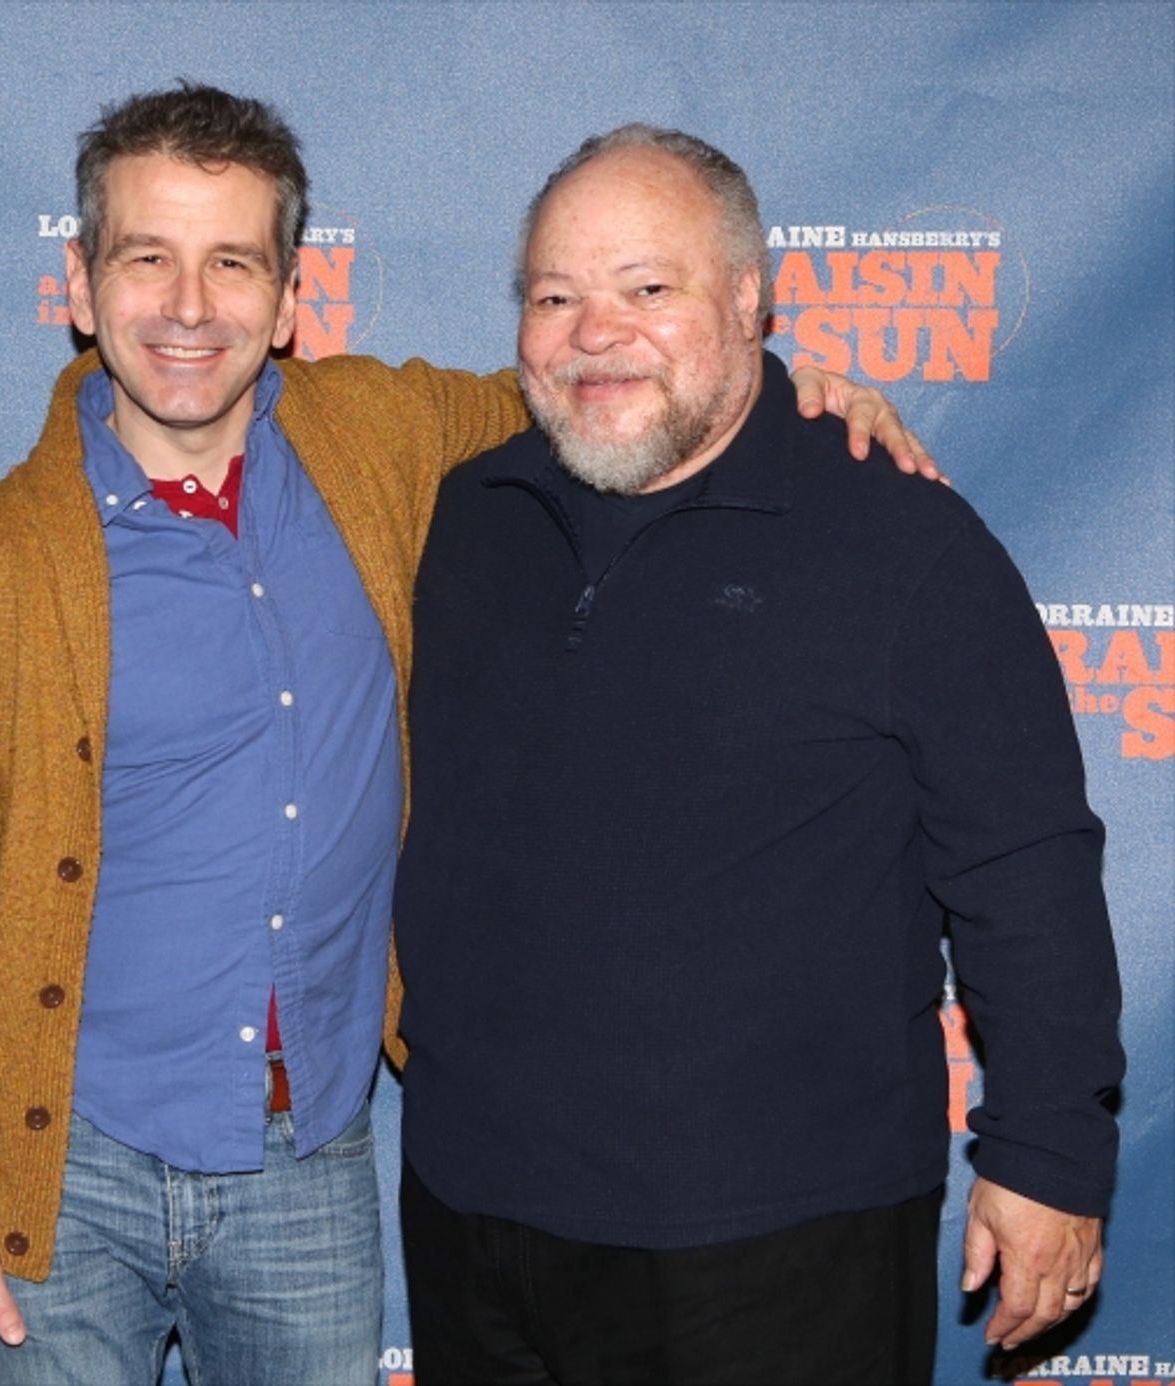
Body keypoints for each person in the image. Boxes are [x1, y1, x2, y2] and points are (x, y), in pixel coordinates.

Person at [0, 86, 930, 1386]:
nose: (189, 307)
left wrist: (780, 388)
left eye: (233, 262)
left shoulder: (382, 441)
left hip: (310, 1160)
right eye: (148, 258)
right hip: (59, 1173)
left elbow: (605, 400)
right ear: (81, 285)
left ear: (292, 297)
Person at [393, 125, 1124, 1386]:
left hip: (776, 1249)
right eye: (552, 296)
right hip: (470, 1222)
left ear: (748, 301)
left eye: (646, 289)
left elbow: (1027, 873)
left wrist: (1047, 1158)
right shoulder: (468, 512)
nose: (591, 331)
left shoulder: (904, 545)